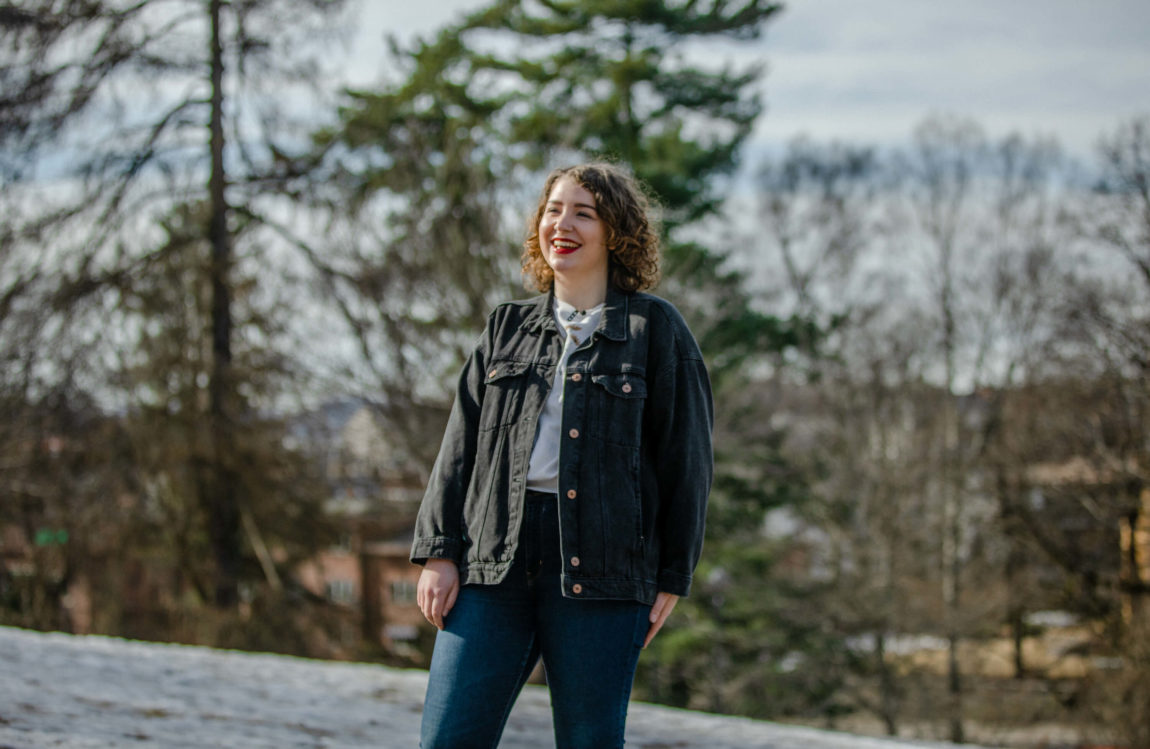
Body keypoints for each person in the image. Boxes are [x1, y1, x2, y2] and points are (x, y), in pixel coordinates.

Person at [410, 162, 714, 749]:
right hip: (492, 560)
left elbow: (688, 461)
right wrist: (439, 552)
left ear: (616, 231)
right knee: (447, 739)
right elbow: (459, 447)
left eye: (584, 212)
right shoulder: (507, 327)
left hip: (604, 571)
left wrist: (673, 574)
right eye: (554, 210)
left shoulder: (657, 331)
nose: (563, 224)